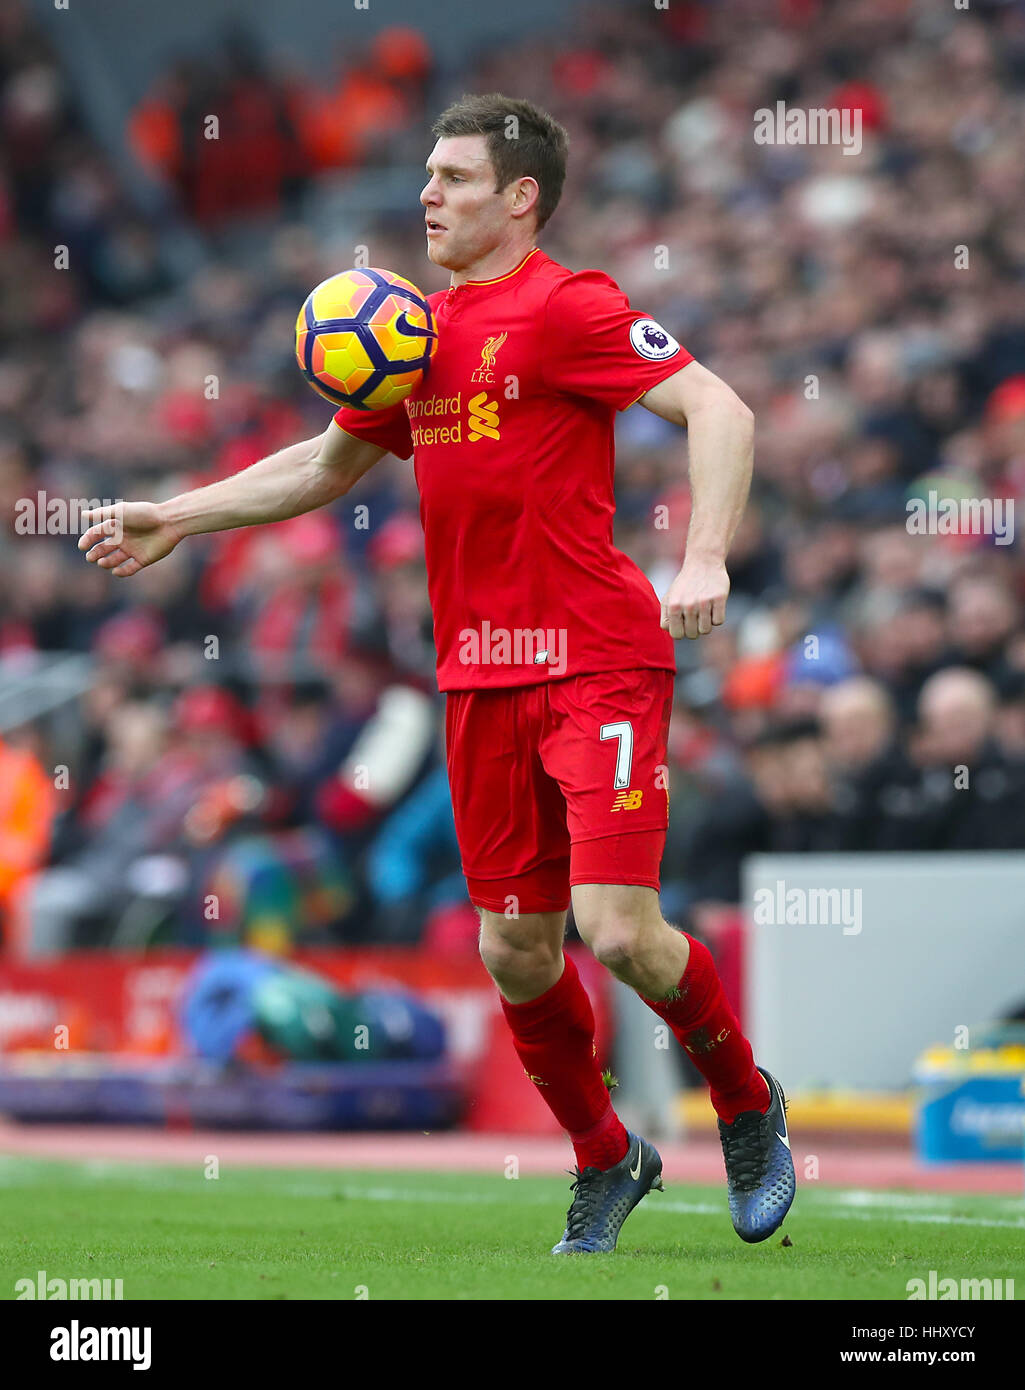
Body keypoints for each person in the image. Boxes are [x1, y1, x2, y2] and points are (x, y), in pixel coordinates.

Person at [78, 93, 794, 1254]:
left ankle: (746, 1100)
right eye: (424, 174)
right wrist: (176, 514)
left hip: (597, 660)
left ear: (518, 197)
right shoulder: (408, 334)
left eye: (453, 177)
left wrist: (702, 549)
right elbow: (320, 465)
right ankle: (607, 1157)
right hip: (476, 678)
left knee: (616, 932)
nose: (426, 195)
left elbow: (717, 405)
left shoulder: (568, 306)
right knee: (513, 950)